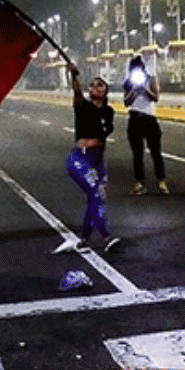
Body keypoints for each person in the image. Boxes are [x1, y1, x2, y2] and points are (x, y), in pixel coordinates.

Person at [59, 63, 121, 252]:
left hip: (97, 159)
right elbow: (77, 93)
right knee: (94, 192)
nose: (97, 87)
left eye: (101, 85)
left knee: (97, 198)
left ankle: (83, 239)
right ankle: (105, 236)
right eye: (93, 85)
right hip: (80, 159)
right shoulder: (82, 106)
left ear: (106, 90)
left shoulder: (108, 111)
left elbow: (104, 132)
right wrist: (74, 76)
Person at [122, 55, 169, 196]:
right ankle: (140, 183)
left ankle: (161, 181)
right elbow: (126, 102)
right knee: (137, 154)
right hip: (134, 119)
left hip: (149, 119)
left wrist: (144, 89)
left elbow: (155, 97)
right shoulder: (128, 83)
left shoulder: (151, 79)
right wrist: (134, 91)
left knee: (156, 153)